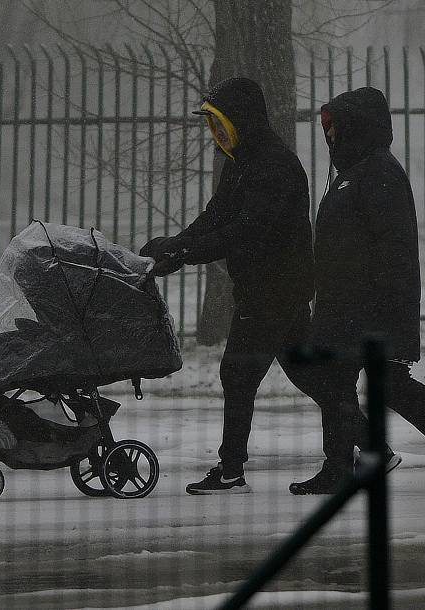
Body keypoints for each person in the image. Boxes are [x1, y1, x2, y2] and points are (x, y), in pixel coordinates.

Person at [142, 77, 395, 495]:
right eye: (213, 125)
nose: (217, 133)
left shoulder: (275, 166)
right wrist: (177, 245)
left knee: (237, 374)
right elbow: (215, 217)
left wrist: (185, 252)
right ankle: (374, 449)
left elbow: (245, 232)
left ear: (241, 120)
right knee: (310, 375)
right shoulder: (241, 163)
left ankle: (231, 470)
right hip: (273, 289)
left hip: (275, 289)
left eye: (221, 122)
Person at [288, 86, 425, 495]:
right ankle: (341, 464)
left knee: (383, 384)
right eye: (327, 128)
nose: (329, 136)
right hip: (345, 305)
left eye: (335, 127)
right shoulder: (352, 174)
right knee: (339, 383)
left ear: (356, 127)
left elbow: (395, 250)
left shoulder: (378, 173)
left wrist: (391, 315)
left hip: (370, 307)